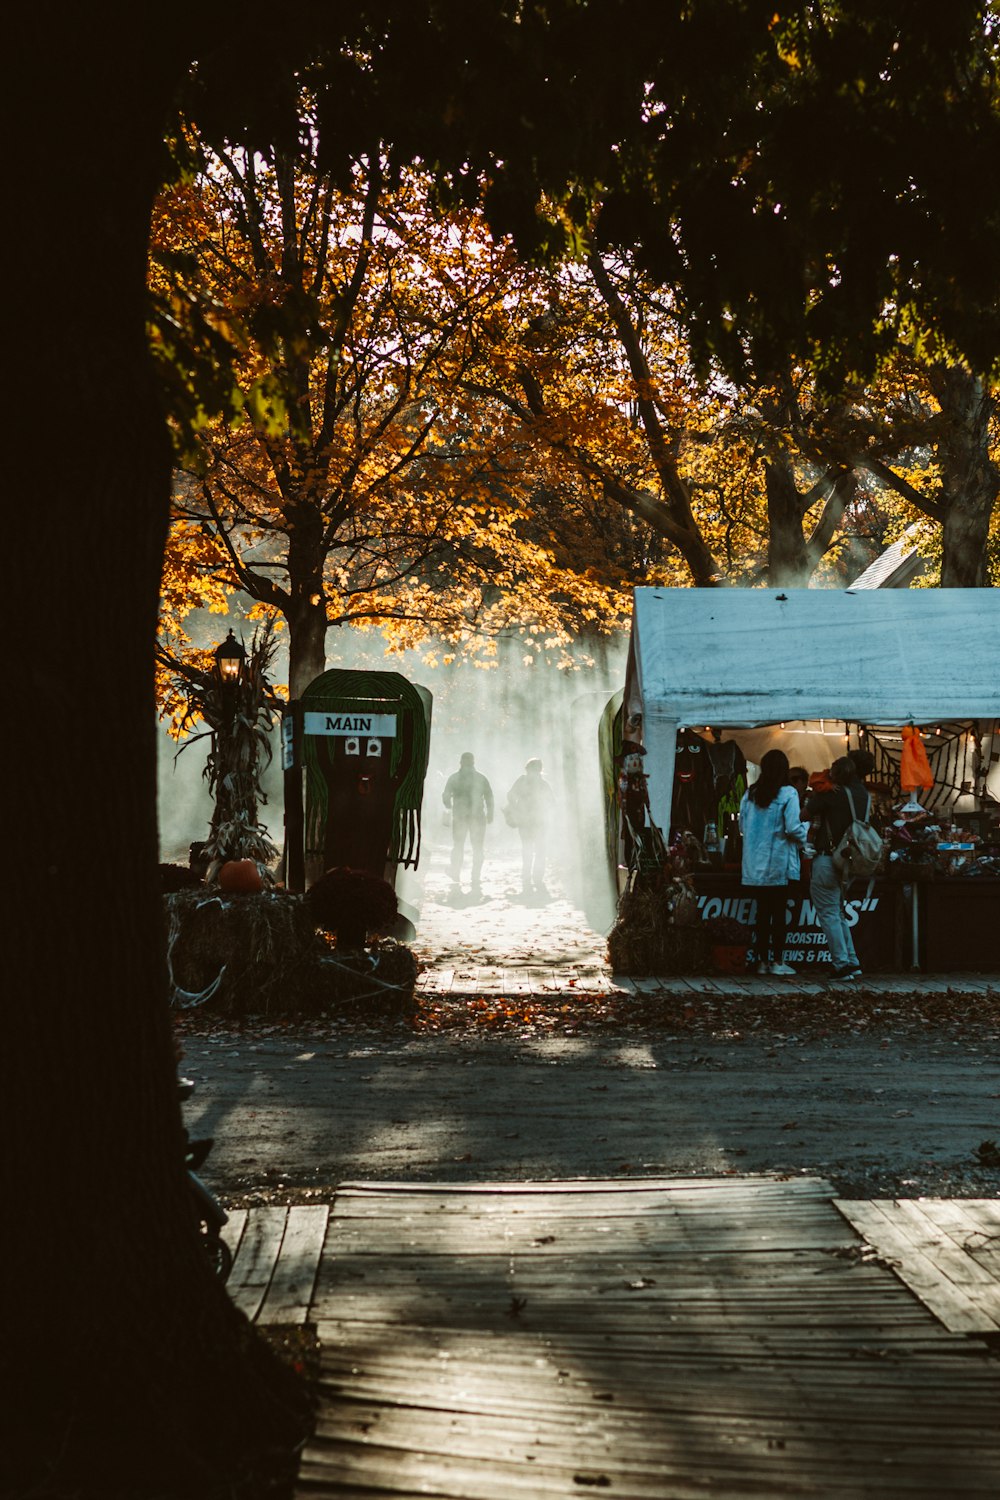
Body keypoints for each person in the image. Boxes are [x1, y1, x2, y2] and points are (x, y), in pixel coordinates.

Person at [738, 748, 808, 976]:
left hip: (754, 865)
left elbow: (742, 827)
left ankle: (760, 961)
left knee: (761, 915)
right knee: (778, 915)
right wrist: (806, 836)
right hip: (778, 863)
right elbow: (792, 827)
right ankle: (778, 961)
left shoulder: (750, 794)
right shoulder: (788, 794)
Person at [805, 754, 869, 981]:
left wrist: (818, 789)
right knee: (838, 911)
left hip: (828, 857)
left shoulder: (831, 795)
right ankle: (852, 962)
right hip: (851, 860)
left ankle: (841, 965)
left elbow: (805, 814)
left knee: (829, 913)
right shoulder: (864, 795)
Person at [442, 752, 494, 892]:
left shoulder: (454, 778)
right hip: (478, 817)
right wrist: (490, 813)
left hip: (460, 816)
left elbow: (446, 795)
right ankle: (475, 876)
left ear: (461, 763)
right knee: (477, 847)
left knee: (458, 845)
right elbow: (489, 796)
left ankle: (456, 872)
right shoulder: (481, 778)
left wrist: (448, 805)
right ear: (473, 763)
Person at [505, 757, 554, 895]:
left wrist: (517, 808)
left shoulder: (522, 781)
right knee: (539, 851)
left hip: (526, 822)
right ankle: (537, 878)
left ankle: (527, 877)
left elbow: (510, 795)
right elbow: (552, 803)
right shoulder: (543, 784)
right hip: (538, 822)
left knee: (527, 849)